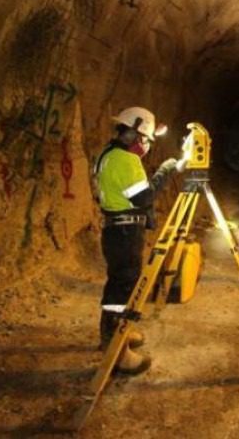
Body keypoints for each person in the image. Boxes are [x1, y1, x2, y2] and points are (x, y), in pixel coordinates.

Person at [92, 106, 178, 375]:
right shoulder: (126, 161)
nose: (147, 146)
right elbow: (144, 198)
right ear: (135, 134)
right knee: (124, 286)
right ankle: (117, 352)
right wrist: (164, 172)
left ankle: (114, 333)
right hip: (126, 232)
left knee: (118, 284)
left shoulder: (107, 154)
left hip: (115, 230)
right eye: (146, 140)